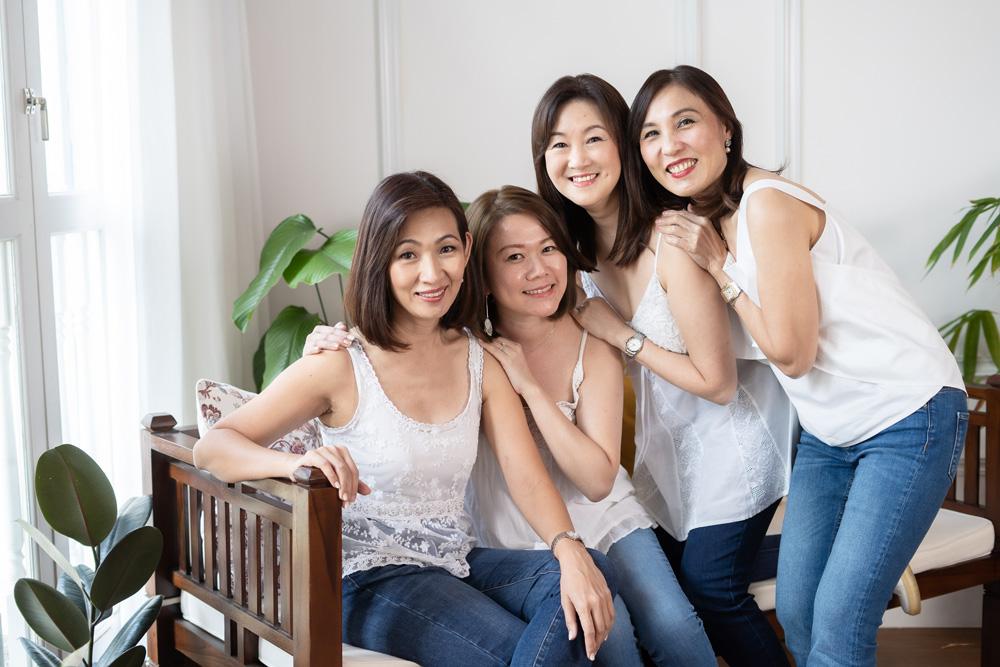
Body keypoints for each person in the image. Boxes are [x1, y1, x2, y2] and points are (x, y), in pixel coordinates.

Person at [194, 171, 616, 666]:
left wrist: (568, 549)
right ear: (380, 262)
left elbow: (524, 474)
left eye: (445, 250)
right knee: (526, 649)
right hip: (367, 578)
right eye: (408, 254)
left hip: (456, 560)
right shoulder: (340, 361)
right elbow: (213, 446)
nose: (432, 274)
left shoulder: (478, 357)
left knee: (588, 572)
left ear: (467, 247)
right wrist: (298, 464)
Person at [640, 65, 969, 667]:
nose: (670, 145)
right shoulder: (706, 228)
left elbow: (793, 352)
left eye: (685, 122)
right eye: (652, 134)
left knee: (841, 623)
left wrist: (718, 272)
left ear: (726, 129)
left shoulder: (766, 205)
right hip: (830, 434)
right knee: (797, 611)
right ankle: (868, 561)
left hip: (907, 415)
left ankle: (866, 567)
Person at [307, 185, 716, 666]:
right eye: (515, 257)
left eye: (549, 249)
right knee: (611, 633)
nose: (539, 270)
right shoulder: (465, 348)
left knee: (673, 624)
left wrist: (532, 389)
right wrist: (324, 342)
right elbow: (383, 377)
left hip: (595, 511)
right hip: (508, 524)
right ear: (480, 273)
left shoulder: (590, 339)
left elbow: (598, 481)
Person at [532, 74, 794, 666]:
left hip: (732, 439)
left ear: (625, 146)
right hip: (663, 452)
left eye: (594, 138)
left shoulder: (672, 237)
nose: (577, 160)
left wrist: (620, 334)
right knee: (667, 589)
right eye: (559, 144)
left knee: (713, 590)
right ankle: (812, 549)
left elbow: (719, 383)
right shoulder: (568, 257)